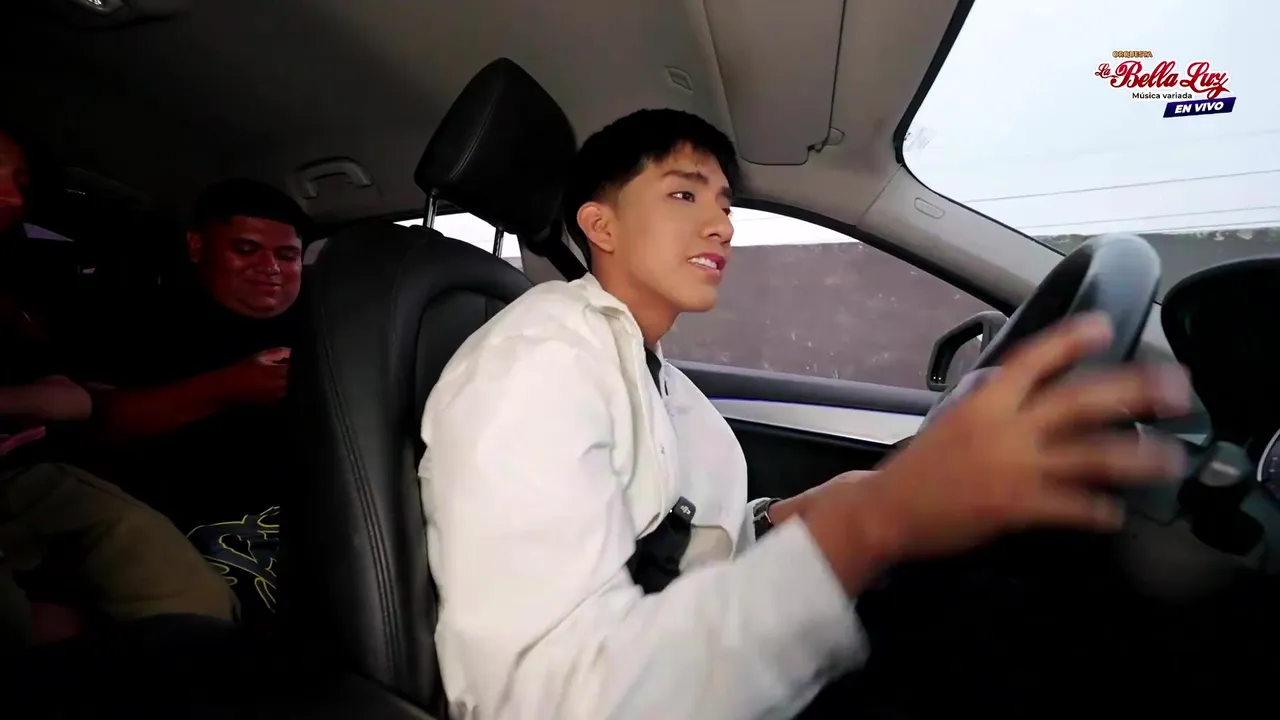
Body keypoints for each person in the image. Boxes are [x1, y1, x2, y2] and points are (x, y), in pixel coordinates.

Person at [417, 108, 1192, 720]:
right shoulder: (536, 363)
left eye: (724, 203)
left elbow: (678, 536)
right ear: (602, 226)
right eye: (685, 194)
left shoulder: (660, 378)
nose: (722, 224)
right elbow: (544, 700)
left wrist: (783, 519)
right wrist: (876, 521)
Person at [0, 124, 236, 653]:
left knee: (182, 590)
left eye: (20, 183)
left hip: (27, 470)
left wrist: (70, 395)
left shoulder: (30, 290)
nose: (13, 198)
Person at [87, 178, 307, 629]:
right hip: (188, 532)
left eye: (287, 256)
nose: (270, 268)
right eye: (246, 250)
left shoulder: (328, 327)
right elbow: (100, 423)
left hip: (317, 523)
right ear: (196, 246)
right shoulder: (138, 321)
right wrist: (225, 387)